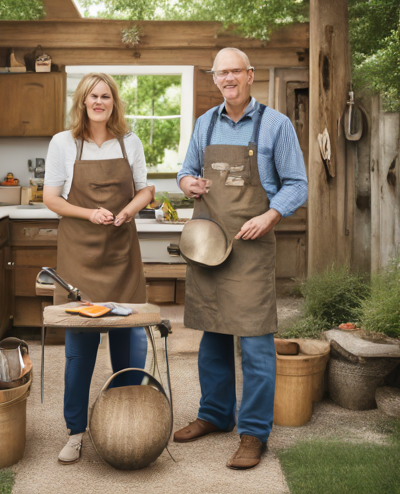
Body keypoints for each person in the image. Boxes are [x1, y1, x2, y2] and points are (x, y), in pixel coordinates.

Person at [174, 48, 308, 469]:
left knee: (254, 343)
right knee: (212, 336)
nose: (228, 78)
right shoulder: (205, 123)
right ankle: (215, 415)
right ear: (215, 79)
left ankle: (253, 432)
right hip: (208, 244)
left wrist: (271, 214)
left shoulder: (275, 125)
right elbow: (185, 169)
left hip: (250, 248)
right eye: (221, 73)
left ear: (250, 76)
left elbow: (298, 185)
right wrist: (187, 182)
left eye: (235, 71)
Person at [43, 73, 155, 465]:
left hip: (122, 253)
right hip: (80, 257)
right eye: (93, 96)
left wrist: (128, 210)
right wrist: (89, 213)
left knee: (129, 346)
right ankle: (75, 431)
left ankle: (128, 422)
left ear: (113, 102)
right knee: (80, 351)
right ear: (82, 101)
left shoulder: (130, 141)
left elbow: (146, 190)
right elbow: (51, 199)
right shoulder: (64, 143)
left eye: (106, 96)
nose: (99, 102)